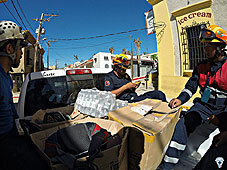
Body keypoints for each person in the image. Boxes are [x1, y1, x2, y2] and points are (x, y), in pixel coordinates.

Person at [159, 25, 227, 170]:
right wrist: (180, 99)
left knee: (222, 142)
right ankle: (167, 166)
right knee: (183, 124)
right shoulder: (201, 66)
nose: (205, 49)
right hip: (203, 106)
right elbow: (191, 87)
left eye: (210, 45)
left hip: (224, 110)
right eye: (205, 45)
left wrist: (221, 121)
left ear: (221, 47)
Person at [0, 20, 50, 170]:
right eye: (20, 48)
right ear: (10, 49)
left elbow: (9, 109)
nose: (21, 54)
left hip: (12, 137)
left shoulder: (6, 77)